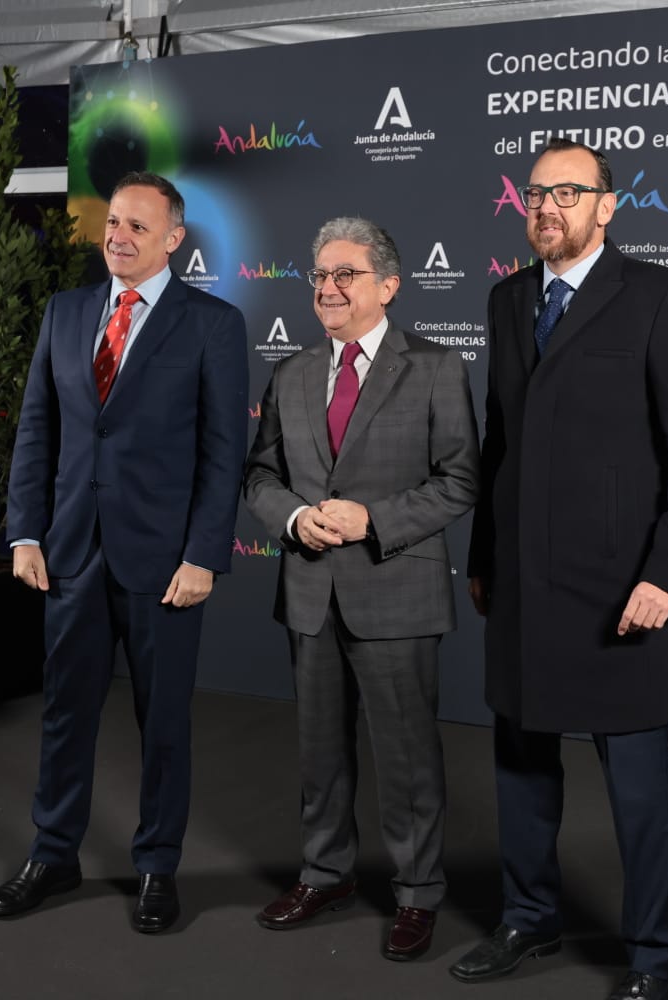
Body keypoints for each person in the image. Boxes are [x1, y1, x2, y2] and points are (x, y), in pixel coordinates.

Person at [450, 139, 668, 1000]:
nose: (545, 208)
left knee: (639, 789)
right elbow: (500, 442)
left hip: (621, 591)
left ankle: (657, 957)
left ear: (608, 206)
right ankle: (528, 919)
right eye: (533, 195)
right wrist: (483, 559)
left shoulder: (656, 296)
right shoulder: (504, 300)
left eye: (567, 193)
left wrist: (667, 577)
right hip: (523, 586)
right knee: (522, 769)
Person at [0, 171, 249, 934]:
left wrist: (204, 555)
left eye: (138, 225)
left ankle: (157, 864)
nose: (119, 236)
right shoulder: (65, 313)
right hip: (70, 552)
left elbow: (222, 451)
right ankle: (53, 853)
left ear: (173, 238)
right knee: (65, 712)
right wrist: (25, 531)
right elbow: (38, 429)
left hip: (165, 563)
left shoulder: (212, 324)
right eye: (112, 224)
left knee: (162, 721)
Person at [243, 216, 479, 961]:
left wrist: (372, 519)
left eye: (345, 274)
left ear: (388, 284)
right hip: (311, 593)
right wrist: (296, 516)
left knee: (407, 757)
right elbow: (260, 476)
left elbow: (460, 480)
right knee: (320, 753)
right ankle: (326, 873)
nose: (328, 288)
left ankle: (417, 895)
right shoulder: (292, 373)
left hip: (396, 593)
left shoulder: (437, 368)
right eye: (318, 275)